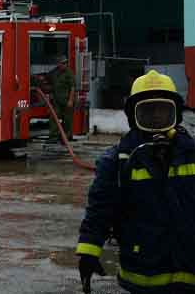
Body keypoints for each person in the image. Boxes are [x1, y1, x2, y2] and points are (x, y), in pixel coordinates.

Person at [76, 70, 195, 294]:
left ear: (176, 113)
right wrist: (88, 251)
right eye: (148, 111)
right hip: (143, 275)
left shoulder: (191, 153)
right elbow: (99, 210)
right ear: (133, 116)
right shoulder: (118, 161)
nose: (157, 117)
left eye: (164, 110)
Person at [48, 55, 75, 143]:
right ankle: (53, 137)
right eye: (62, 63)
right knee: (54, 117)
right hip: (56, 100)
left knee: (67, 120)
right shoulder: (54, 72)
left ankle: (66, 137)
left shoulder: (69, 73)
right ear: (58, 64)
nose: (64, 64)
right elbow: (49, 79)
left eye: (65, 63)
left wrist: (70, 100)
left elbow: (72, 88)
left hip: (66, 100)